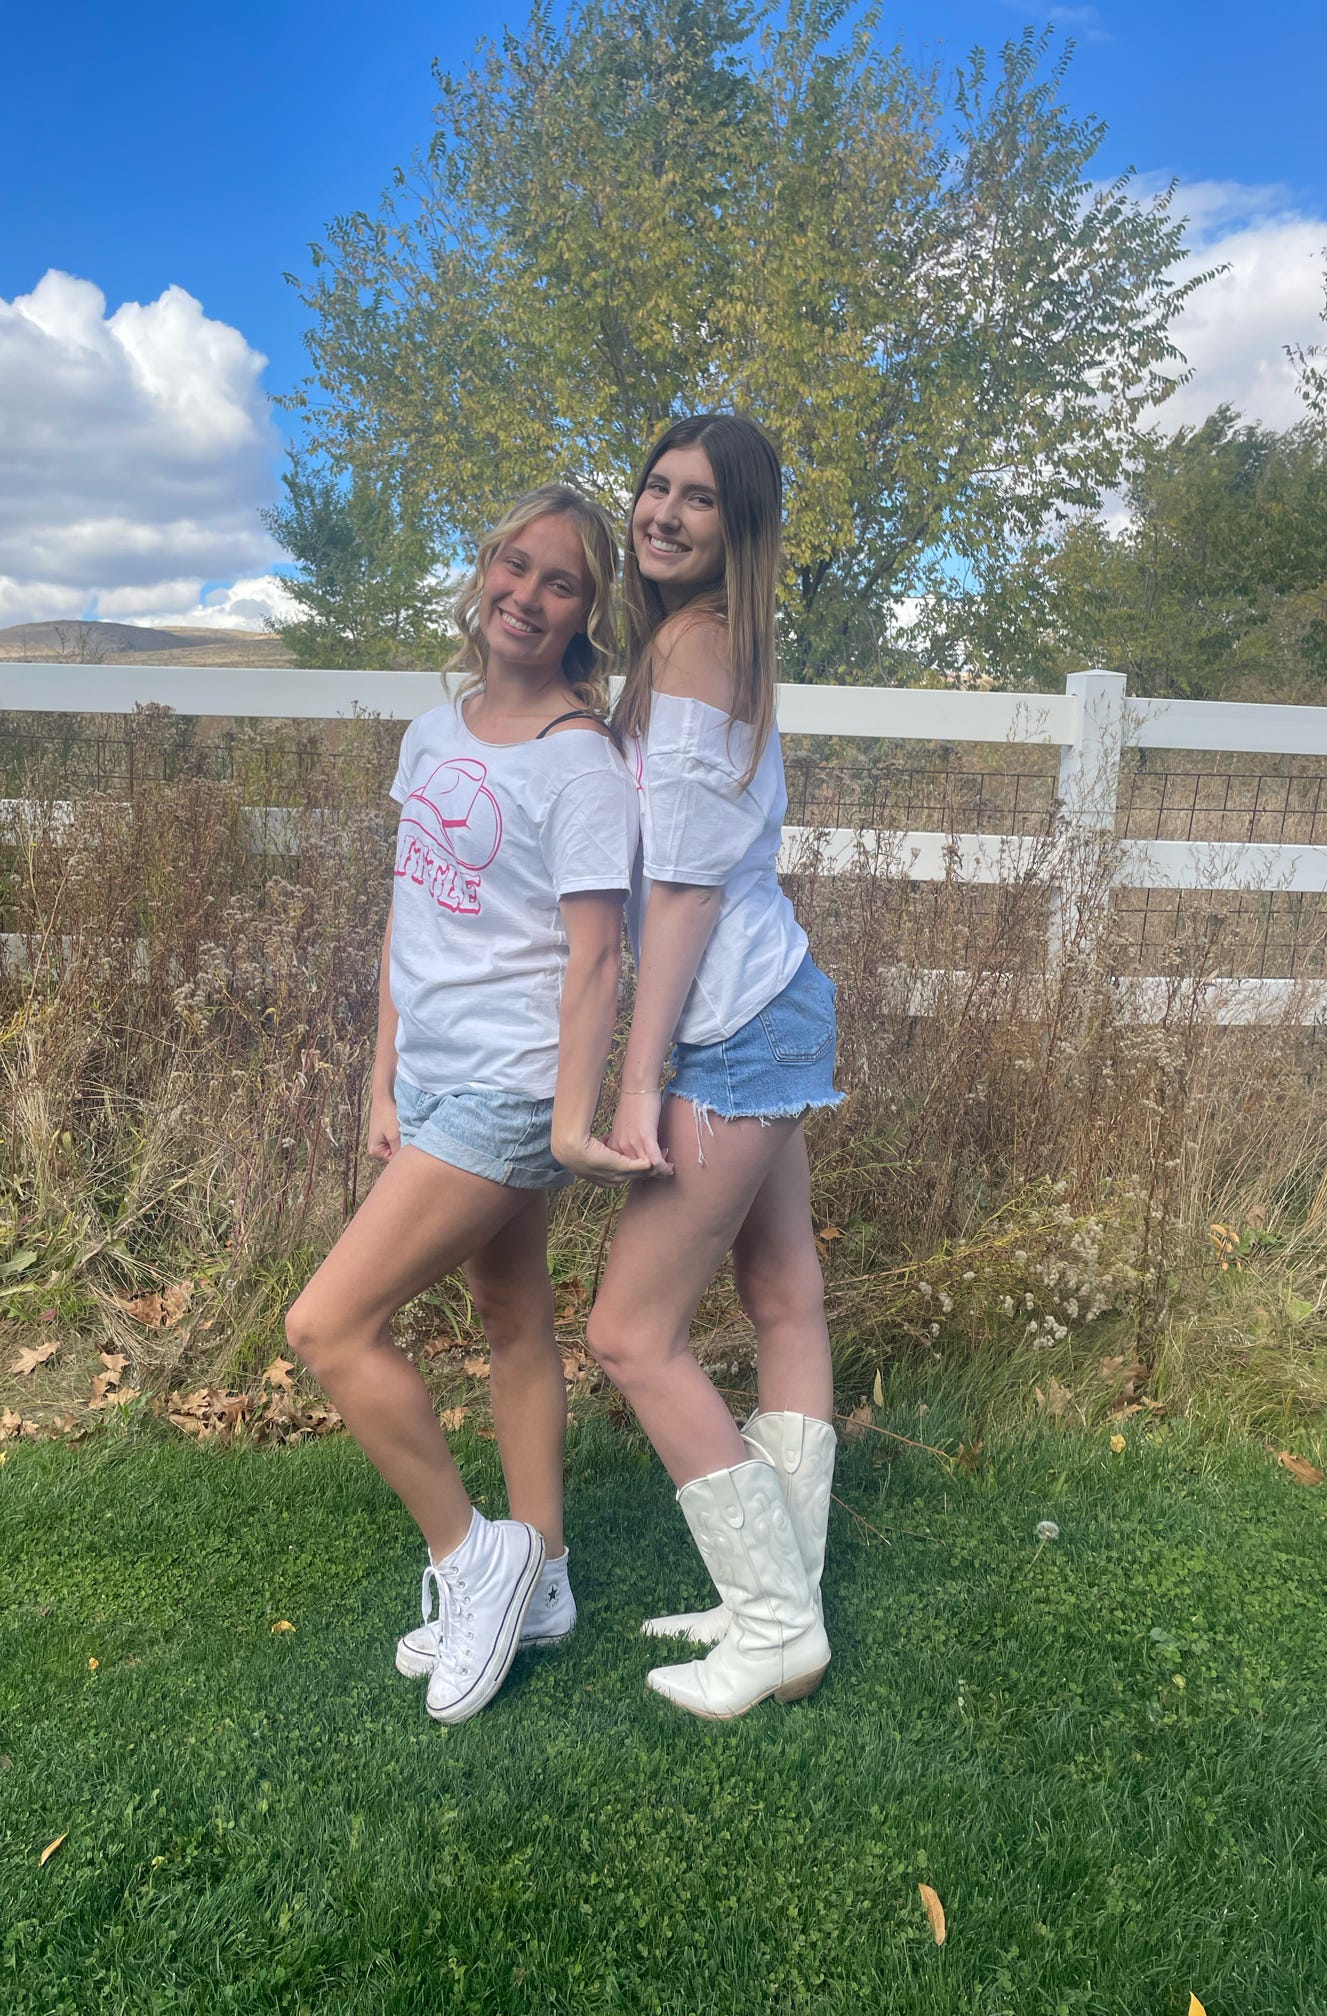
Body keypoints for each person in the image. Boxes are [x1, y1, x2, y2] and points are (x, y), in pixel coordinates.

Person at [286, 484, 645, 1726]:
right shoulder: (432, 735)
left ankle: (472, 1555)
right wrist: (381, 1073)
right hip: (436, 1072)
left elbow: (596, 959)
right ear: (484, 570)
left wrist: (570, 1117)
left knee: (328, 1327)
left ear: (587, 614)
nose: (527, 596)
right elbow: (411, 912)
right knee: (511, 1318)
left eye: (562, 583)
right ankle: (544, 1574)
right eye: (514, 565)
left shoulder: (580, 764)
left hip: (509, 1087)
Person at [559, 414, 843, 1721]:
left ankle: (776, 1624)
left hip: (732, 1028)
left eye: (700, 500)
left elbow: (679, 892)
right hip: (777, 1005)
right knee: (783, 1300)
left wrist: (635, 1083)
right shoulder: (709, 642)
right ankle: (781, 1596)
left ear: (741, 530)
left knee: (629, 1333)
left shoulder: (692, 645)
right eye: (654, 487)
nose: (664, 514)